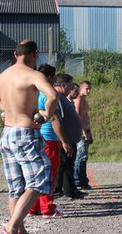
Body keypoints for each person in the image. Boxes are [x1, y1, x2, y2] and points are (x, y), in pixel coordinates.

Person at [0, 40, 58, 234]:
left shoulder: (3, 76)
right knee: (39, 179)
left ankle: (20, 230)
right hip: (25, 133)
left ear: (16, 54)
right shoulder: (33, 74)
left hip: (7, 133)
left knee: (16, 187)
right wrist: (46, 115)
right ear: (35, 54)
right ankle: (13, 226)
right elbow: (53, 95)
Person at [29, 64, 71, 218]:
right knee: (49, 174)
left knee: (36, 174)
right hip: (50, 140)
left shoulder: (33, 92)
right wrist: (64, 141)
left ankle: (33, 207)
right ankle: (48, 208)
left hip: (36, 138)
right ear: (51, 77)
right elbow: (54, 119)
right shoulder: (49, 94)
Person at [54, 74, 85, 199]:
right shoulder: (59, 99)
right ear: (63, 85)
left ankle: (70, 190)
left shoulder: (62, 98)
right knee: (64, 165)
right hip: (66, 139)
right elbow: (58, 120)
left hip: (69, 139)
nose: (72, 87)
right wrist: (64, 141)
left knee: (68, 165)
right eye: (71, 85)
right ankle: (60, 190)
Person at [74, 81, 93, 189]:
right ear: (81, 88)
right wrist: (83, 132)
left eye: (90, 88)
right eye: (87, 88)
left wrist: (89, 131)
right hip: (81, 132)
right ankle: (78, 180)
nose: (89, 91)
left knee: (83, 156)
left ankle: (81, 179)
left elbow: (86, 117)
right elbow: (77, 117)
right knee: (81, 157)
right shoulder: (79, 100)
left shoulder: (84, 100)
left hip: (85, 130)